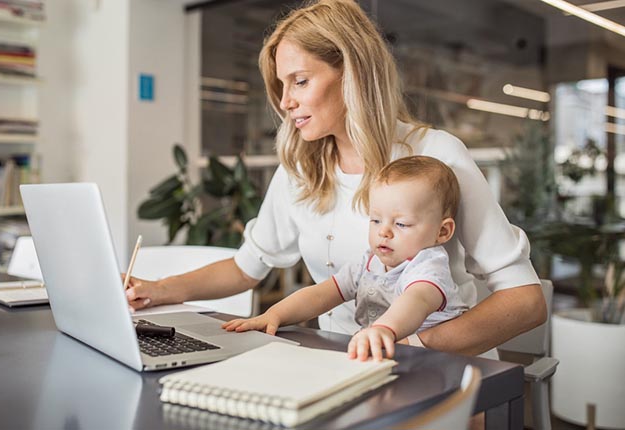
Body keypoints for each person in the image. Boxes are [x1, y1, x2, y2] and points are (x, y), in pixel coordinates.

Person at [125, 0, 546, 357]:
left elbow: (525, 302)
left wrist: (415, 346)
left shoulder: (435, 156)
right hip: (341, 363)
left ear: (353, 73)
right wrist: (159, 290)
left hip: (435, 366)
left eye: (301, 81)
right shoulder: (300, 169)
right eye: (281, 86)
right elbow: (246, 268)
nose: (286, 102)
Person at [223, 156, 469, 361]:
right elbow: (322, 294)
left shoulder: (429, 266)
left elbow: (415, 301)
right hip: (393, 358)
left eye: (401, 223)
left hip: (437, 365)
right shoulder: (369, 263)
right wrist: (274, 315)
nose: (384, 231)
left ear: (443, 231)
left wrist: (384, 329)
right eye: (375, 220)